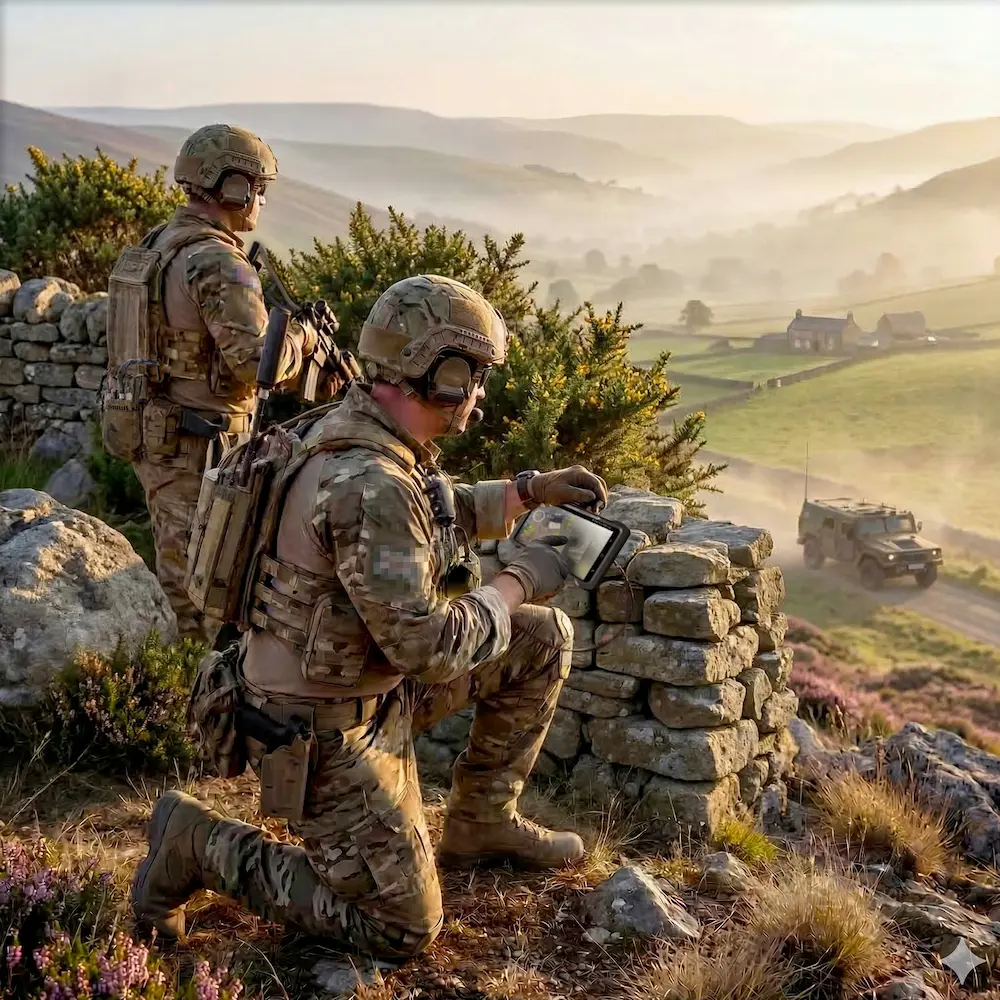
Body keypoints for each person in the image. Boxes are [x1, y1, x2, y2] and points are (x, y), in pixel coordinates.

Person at [131, 274, 609, 959]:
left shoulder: (359, 429)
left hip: (361, 687)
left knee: (539, 639)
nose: (479, 392)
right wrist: (518, 579)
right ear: (437, 370)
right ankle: (197, 843)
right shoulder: (371, 482)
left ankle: (481, 821)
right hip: (319, 732)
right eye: (473, 374)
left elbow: (435, 513)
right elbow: (435, 647)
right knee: (401, 925)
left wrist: (527, 491)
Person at [109, 124, 332, 641]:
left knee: (184, 572)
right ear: (230, 186)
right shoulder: (217, 259)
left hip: (164, 437)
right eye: (257, 186)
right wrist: (299, 340)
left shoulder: (161, 243)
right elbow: (258, 362)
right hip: (197, 449)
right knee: (201, 593)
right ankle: (185, 702)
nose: (260, 199)